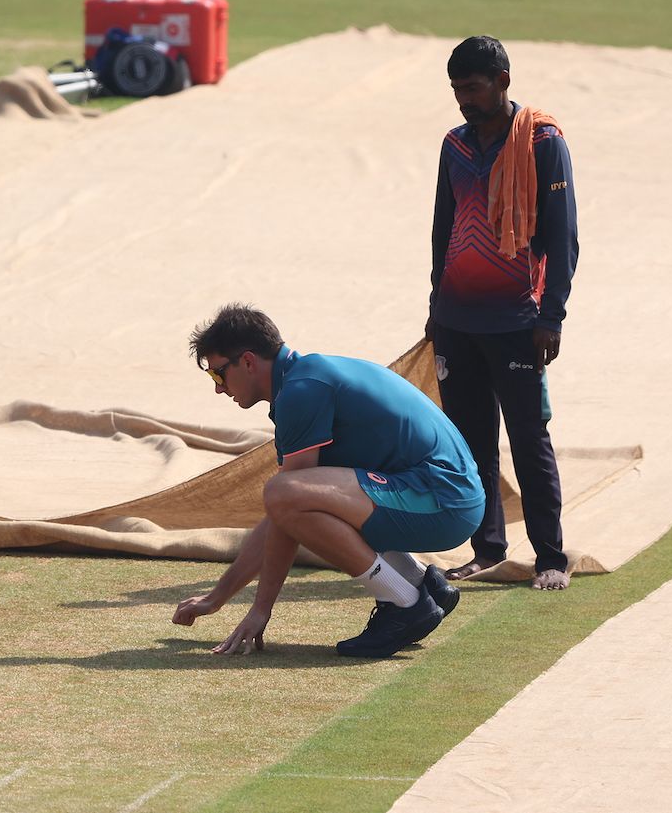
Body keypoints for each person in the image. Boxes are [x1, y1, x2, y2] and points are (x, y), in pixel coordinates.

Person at [172, 304, 485, 658]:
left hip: (446, 503)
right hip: (448, 496)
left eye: (217, 375)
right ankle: (420, 584)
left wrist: (260, 608)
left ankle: (404, 603)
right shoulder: (306, 376)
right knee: (295, 495)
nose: (218, 389)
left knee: (284, 492)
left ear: (247, 362)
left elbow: (285, 508)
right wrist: (218, 597)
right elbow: (286, 513)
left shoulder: (300, 392)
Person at [427, 36, 579, 590]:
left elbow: (563, 238)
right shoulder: (455, 145)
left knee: (528, 436)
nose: (464, 100)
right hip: (457, 319)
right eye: (456, 91)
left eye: (472, 88)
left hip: (518, 319)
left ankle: (551, 557)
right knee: (470, 441)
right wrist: (433, 305)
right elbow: (443, 227)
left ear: (502, 81)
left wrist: (552, 317)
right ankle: (487, 548)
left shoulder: (541, 143)